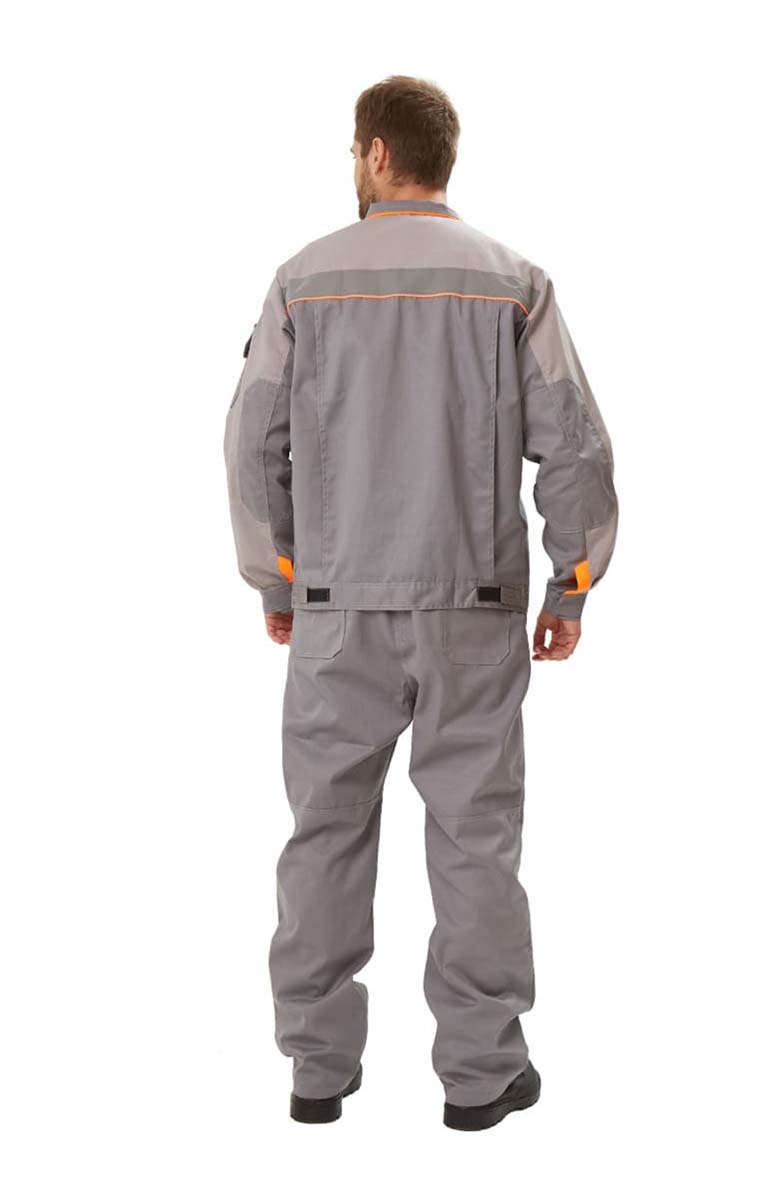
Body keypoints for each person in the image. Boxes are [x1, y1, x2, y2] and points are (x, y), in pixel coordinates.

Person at [223, 74, 618, 1131]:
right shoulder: (512, 284)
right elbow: (575, 446)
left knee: (324, 833)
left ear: (378, 154)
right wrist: (571, 584)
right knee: (476, 838)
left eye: (354, 151)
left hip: (337, 610)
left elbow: (252, 443)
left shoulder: (303, 281)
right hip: (474, 611)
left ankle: (317, 1070)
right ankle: (480, 1078)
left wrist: (277, 578)